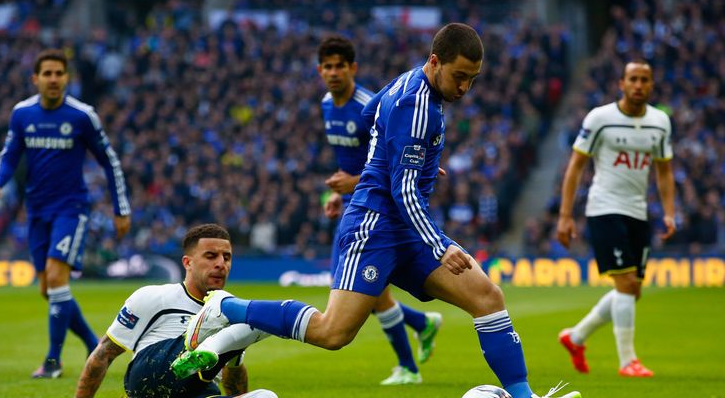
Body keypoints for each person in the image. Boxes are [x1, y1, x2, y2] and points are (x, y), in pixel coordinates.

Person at [180, 24, 579, 398]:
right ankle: (227, 307)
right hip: (376, 224)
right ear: (435, 61)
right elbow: (402, 189)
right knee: (333, 332)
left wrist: (414, 157)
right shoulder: (417, 106)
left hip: (405, 226)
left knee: (487, 297)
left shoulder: (405, 82)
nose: (465, 87)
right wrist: (439, 243)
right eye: (460, 76)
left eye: (472, 78)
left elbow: (369, 117)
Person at [0, 49, 132, 379]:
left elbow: (110, 161)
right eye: (46, 73)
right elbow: (9, 156)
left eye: (58, 73)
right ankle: (96, 344)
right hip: (36, 210)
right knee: (48, 289)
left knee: (55, 277)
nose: (53, 79)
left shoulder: (82, 116)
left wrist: (121, 209)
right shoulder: (22, 114)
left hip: (71, 208)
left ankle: (53, 362)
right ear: (35, 78)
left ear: (67, 78)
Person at [316, 35, 442, 385]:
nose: (334, 73)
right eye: (327, 66)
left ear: (353, 68)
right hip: (356, 202)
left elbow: (387, 154)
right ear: (319, 71)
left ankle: (410, 364)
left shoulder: (367, 104)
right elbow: (350, 160)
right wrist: (338, 193)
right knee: (367, 293)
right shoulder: (327, 104)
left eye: (340, 65)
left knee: (361, 293)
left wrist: (419, 164)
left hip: (379, 202)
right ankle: (420, 326)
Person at [556, 60, 675, 377]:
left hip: (639, 212)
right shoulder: (600, 119)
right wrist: (565, 216)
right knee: (624, 284)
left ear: (651, 85)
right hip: (604, 208)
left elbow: (664, 170)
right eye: (633, 79)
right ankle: (628, 362)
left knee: (632, 289)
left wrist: (670, 211)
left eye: (645, 80)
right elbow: (576, 167)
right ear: (621, 83)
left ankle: (576, 336)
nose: (639, 85)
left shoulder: (660, 122)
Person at [74, 224, 276, 398]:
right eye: (211, 256)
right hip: (153, 384)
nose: (221, 264)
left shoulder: (231, 312)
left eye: (227, 257)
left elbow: (234, 371)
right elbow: (104, 354)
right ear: (188, 263)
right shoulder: (154, 297)